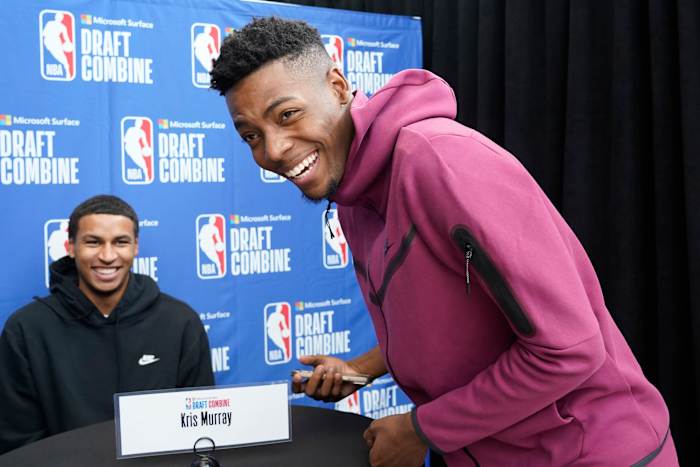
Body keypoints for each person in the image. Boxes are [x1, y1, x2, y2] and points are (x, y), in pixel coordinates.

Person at [210, 17, 678, 467]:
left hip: (590, 453)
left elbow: (568, 349)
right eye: (251, 134)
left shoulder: (442, 162)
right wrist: (363, 368)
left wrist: (423, 430)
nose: (272, 150)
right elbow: (458, 325)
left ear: (336, 87)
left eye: (287, 115)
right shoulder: (351, 193)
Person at [0, 195, 214, 454]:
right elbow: (19, 444)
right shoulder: (26, 329)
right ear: (70, 246)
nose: (108, 255)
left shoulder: (180, 322)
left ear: (135, 247)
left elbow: (199, 432)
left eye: (121, 242)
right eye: (93, 242)